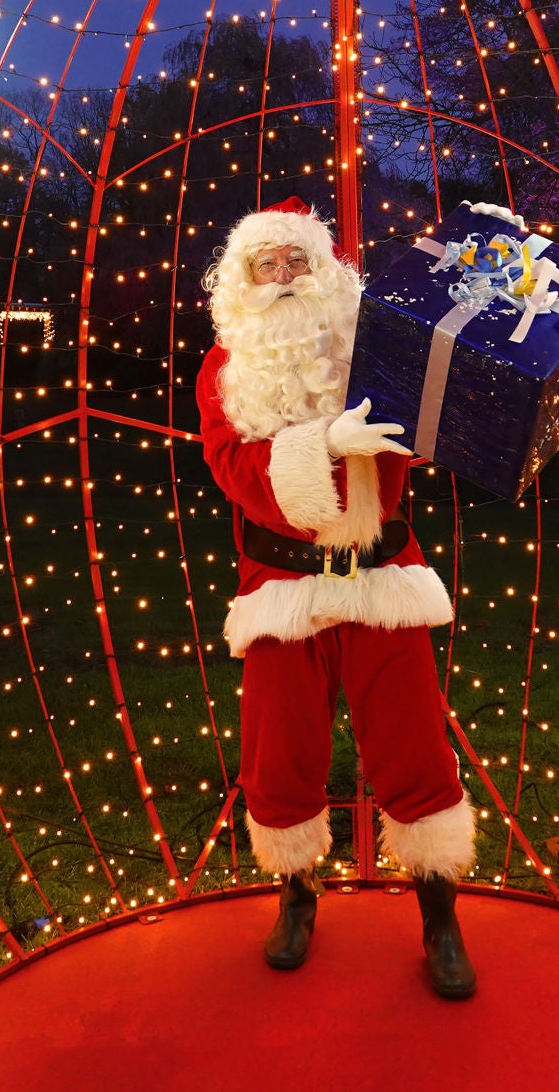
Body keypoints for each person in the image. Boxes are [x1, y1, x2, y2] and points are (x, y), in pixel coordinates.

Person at [195, 197, 478, 999]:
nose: (284, 278)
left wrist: (486, 281)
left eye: (298, 262)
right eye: (267, 265)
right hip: (281, 585)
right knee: (279, 749)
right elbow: (238, 475)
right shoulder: (225, 368)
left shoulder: (373, 347)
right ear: (242, 280)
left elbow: (442, 414)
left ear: (325, 272)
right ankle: (296, 891)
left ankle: (438, 908)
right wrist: (319, 445)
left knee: (414, 740)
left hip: (382, 575)